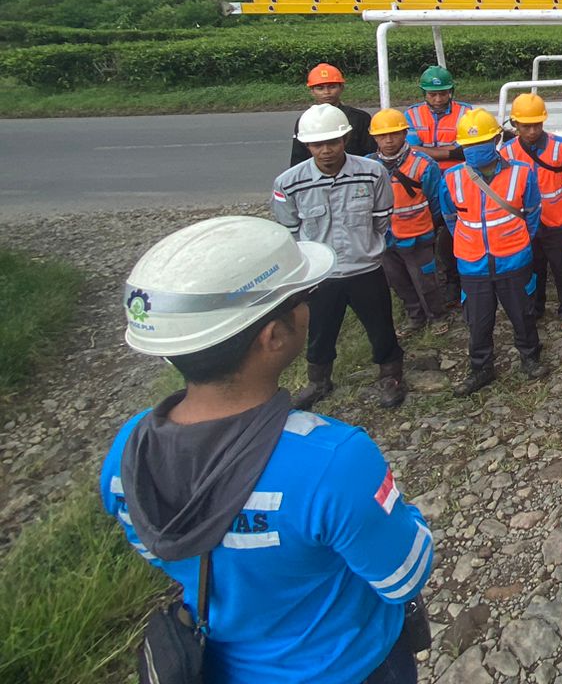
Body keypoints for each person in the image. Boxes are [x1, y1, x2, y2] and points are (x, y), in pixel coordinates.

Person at [104, 216, 433, 684]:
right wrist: (404, 514)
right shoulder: (333, 460)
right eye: (301, 299)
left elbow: (157, 550)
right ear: (273, 336)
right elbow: (405, 574)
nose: (309, 307)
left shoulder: (127, 451)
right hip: (351, 666)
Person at [272, 104, 405, 410]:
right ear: (307, 145)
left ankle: (390, 376)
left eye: (333, 142)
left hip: (365, 268)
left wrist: (365, 245)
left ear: (346, 139)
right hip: (322, 275)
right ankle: (319, 381)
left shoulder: (372, 173)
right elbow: (290, 229)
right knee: (320, 330)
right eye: (318, 144)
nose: (326, 150)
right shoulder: (289, 183)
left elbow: (381, 217)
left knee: (381, 326)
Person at [441, 107, 548, 396]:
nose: (475, 150)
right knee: (478, 320)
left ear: (497, 140)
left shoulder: (521, 173)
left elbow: (533, 213)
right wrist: (470, 244)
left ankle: (530, 356)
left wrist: (517, 242)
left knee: (523, 313)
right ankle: (481, 367)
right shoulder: (451, 178)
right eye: (470, 145)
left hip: (514, 260)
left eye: (482, 143)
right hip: (473, 264)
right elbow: (450, 218)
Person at [502, 92, 562, 329]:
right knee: (533, 268)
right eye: (526, 126)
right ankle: (536, 308)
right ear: (515, 124)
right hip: (527, 224)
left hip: (558, 222)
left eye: (536, 125)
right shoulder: (506, 153)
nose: (531, 131)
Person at [369, 107, 449, 336]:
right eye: (383, 135)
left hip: (418, 235)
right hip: (385, 237)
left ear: (405, 134)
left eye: (394, 134)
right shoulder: (368, 165)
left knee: (426, 280)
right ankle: (415, 316)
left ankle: (436, 316)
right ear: (374, 137)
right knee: (398, 280)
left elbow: (435, 200)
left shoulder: (423, 164)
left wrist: (426, 225)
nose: (389, 140)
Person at [405, 66, 469, 298]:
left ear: (452, 91)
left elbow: (468, 149)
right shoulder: (411, 115)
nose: (439, 99)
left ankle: (456, 280)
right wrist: (451, 152)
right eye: (432, 94)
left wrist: (430, 150)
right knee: (427, 232)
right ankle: (430, 282)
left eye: (443, 93)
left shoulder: (466, 113)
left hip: (457, 182)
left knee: (455, 231)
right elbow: (411, 149)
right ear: (423, 93)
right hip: (423, 183)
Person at [290, 63, 376, 165]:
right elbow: (298, 158)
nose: (327, 92)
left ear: (341, 88)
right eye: (320, 88)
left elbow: (371, 155)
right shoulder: (305, 120)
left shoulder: (360, 118)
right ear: (312, 91)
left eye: (332, 87)